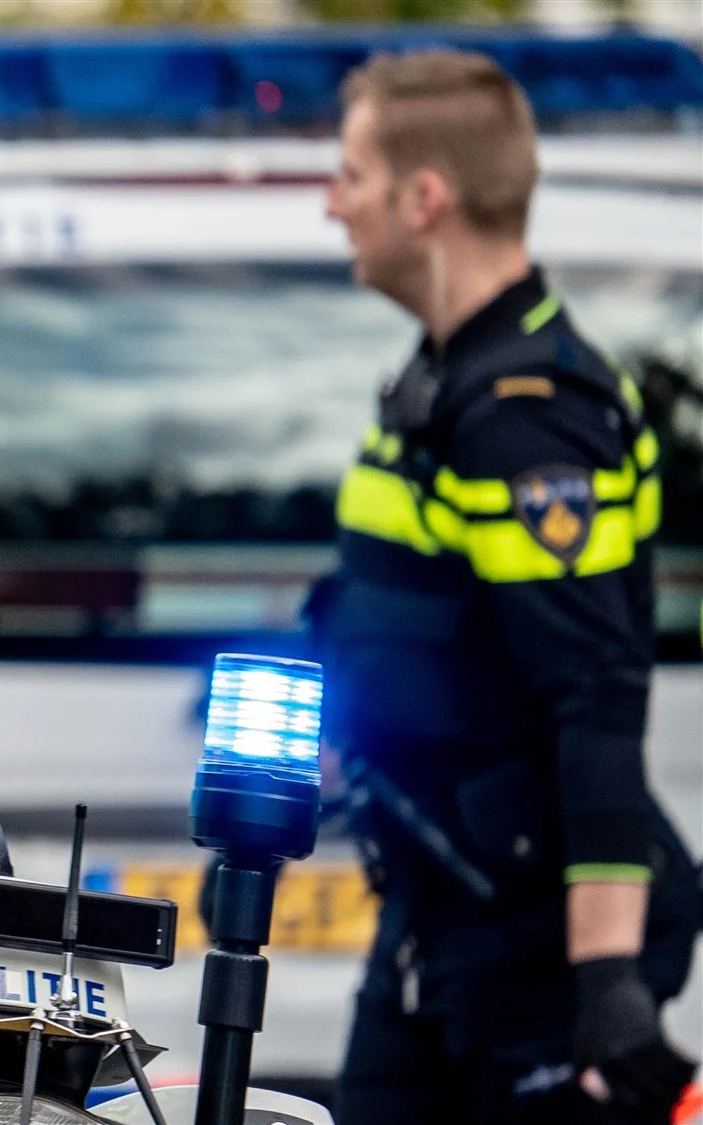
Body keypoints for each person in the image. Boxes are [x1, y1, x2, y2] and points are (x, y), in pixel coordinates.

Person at [314, 49, 700, 1124]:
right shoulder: (446, 377)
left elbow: (594, 698)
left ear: (423, 197)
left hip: (529, 939)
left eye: (349, 173)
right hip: (442, 909)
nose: (329, 203)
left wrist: (604, 986)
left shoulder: (526, 413)